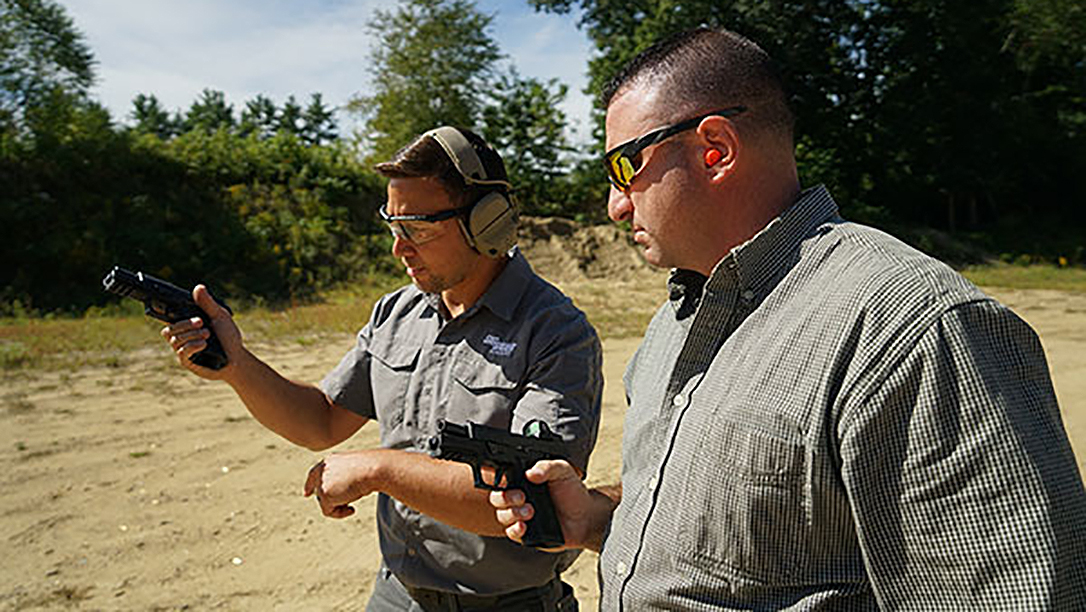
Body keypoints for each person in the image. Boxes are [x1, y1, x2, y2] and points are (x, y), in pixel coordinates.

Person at [489, 27, 1086, 610]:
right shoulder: (676, 320)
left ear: (714, 150)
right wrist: (597, 518)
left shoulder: (915, 327)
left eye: (625, 167)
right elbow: (753, 543)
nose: (617, 204)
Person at [162, 126, 601, 611]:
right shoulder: (398, 313)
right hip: (395, 595)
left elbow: (532, 502)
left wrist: (380, 469)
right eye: (393, 227)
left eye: (416, 228)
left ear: (486, 222)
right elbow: (322, 419)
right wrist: (236, 365)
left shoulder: (557, 333)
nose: (399, 248)